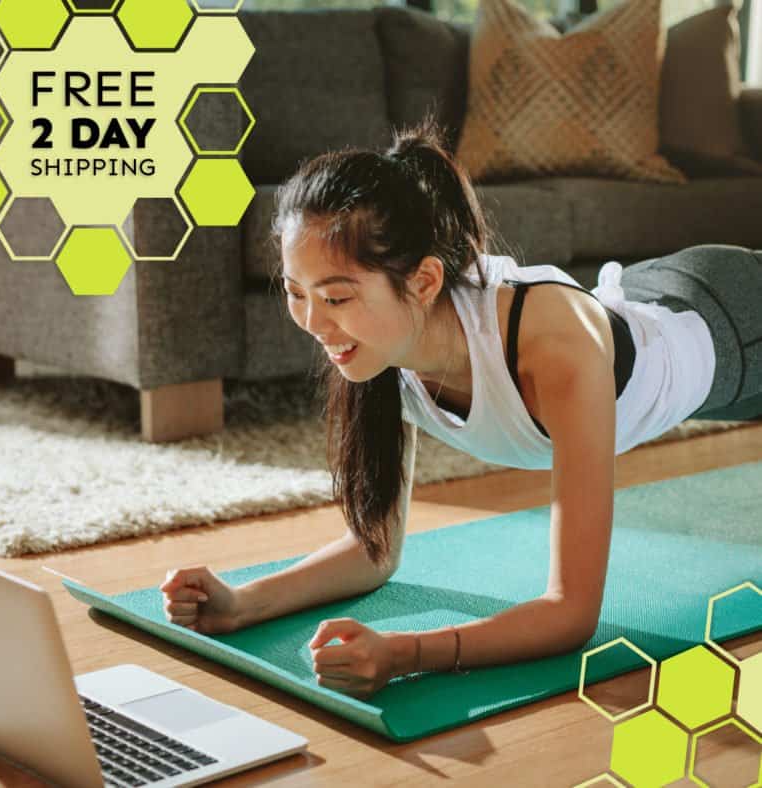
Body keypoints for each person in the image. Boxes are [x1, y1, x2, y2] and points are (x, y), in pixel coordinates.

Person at [161, 115, 762, 700]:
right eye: (296, 293)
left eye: (337, 296)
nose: (314, 323)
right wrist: (244, 602)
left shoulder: (553, 348)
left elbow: (571, 612)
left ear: (424, 282)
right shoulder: (373, 346)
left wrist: (406, 653)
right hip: (653, 297)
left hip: (737, 322)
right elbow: (373, 553)